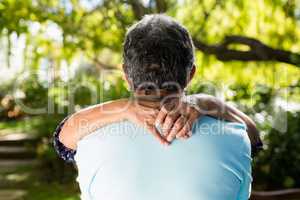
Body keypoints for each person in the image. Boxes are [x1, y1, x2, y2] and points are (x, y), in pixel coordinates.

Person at [54, 14, 262, 200]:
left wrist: (124, 108)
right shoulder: (235, 137)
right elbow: (254, 139)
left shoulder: (90, 139)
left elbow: (63, 139)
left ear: (126, 75)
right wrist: (208, 102)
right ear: (191, 75)